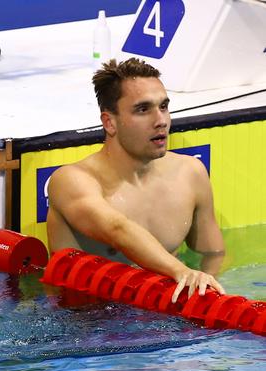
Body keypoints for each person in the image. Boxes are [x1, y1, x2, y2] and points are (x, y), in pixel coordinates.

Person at [47, 57, 225, 302]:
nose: (160, 120)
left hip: (169, 317)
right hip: (88, 325)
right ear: (110, 122)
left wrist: (205, 296)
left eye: (163, 106)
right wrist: (181, 271)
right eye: (143, 109)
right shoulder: (72, 181)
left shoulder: (190, 173)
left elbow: (212, 254)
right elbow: (117, 229)